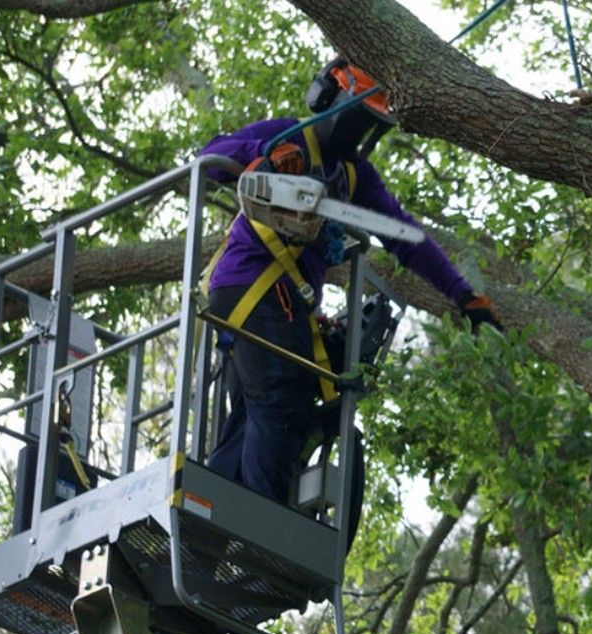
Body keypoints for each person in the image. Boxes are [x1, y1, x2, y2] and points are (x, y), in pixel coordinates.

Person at [199, 56, 500, 512]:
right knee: (281, 401)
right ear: (329, 100)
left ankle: (207, 522)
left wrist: (464, 296)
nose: (357, 136)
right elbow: (209, 159)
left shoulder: (356, 176)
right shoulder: (288, 135)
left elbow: (406, 237)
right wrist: (261, 161)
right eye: (356, 120)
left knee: (252, 416)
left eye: (369, 126)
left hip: (282, 302)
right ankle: (259, 533)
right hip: (254, 285)